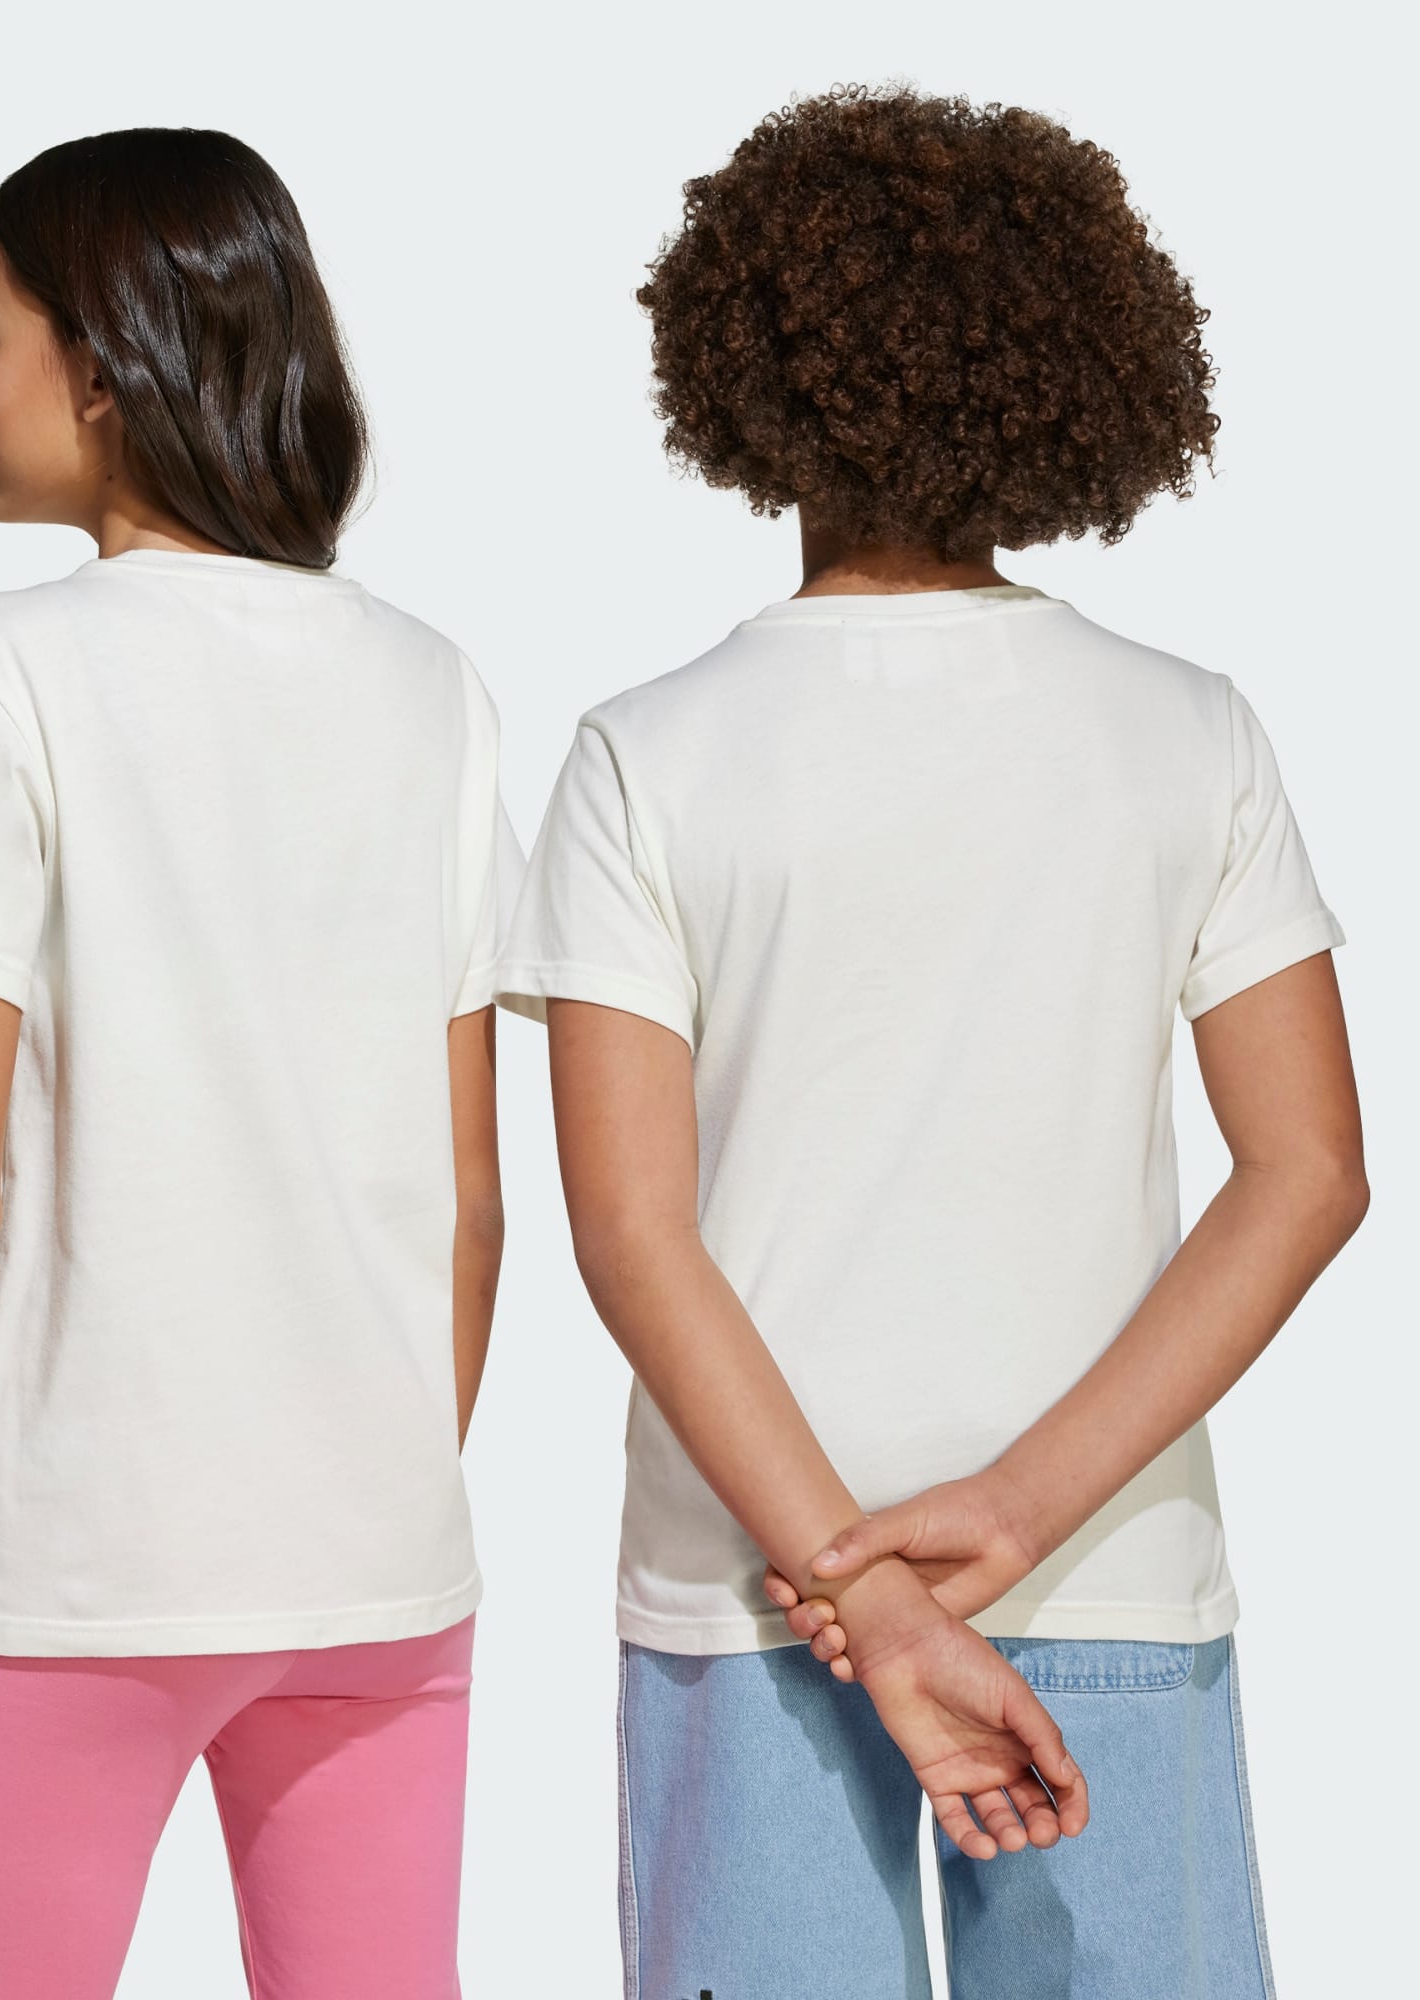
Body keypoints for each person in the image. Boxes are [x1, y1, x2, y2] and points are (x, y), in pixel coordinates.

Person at [492, 84, 1365, 1999]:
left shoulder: (647, 756)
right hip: (1106, 1563)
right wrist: (1018, 1510)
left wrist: (860, 1580)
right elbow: (1306, 1173)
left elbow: (632, 1233)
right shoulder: (1190, 732)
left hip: (756, 1591)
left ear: (748, 367)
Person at [0, 127, 523, 2000]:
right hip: (378, 1582)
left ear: (105, 366)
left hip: (74, 1585)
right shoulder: (434, 691)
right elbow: (470, 1204)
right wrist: (339, 1493)